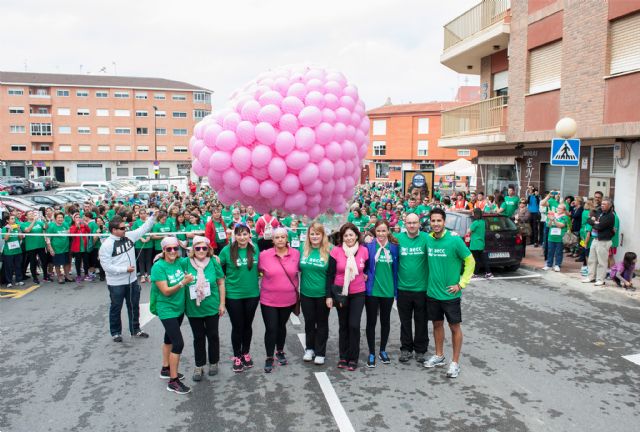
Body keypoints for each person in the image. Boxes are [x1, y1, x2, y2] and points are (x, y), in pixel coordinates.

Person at [423, 208, 475, 378]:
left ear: (444, 222)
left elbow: (470, 261)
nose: (436, 224)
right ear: (430, 222)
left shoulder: (455, 240)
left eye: (439, 221)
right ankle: (439, 356)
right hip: (432, 293)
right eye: (433, 221)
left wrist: (461, 284)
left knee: (454, 327)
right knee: (437, 325)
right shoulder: (428, 239)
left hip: (450, 295)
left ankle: (455, 363)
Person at [99, 212, 156, 342]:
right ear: (114, 230)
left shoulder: (129, 236)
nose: (126, 230)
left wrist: (153, 217)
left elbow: (143, 229)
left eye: (125, 227)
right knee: (116, 307)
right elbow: (106, 267)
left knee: (134, 306)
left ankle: (135, 329)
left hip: (132, 281)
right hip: (116, 283)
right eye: (122, 228)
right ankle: (116, 332)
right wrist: (124, 269)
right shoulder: (106, 245)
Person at [150, 236, 194, 395]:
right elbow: (166, 291)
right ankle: (173, 381)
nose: (173, 251)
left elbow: (195, 255)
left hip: (179, 308)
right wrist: (183, 282)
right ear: (163, 250)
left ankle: (165, 368)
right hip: (166, 308)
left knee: (168, 338)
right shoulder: (158, 267)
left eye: (175, 248)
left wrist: (212, 254)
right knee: (178, 343)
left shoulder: (180, 262)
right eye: (169, 249)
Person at [182, 236, 226, 381]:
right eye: (197, 248)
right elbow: (169, 261)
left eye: (204, 248)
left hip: (212, 306)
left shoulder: (214, 262)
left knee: (213, 335)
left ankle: (213, 362)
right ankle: (199, 365)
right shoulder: (185, 263)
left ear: (208, 249)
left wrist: (222, 304)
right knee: (198, 337)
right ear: (193, 250)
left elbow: (220, 283)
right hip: (194, 308)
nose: (201, 251)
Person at [327, 223, 369, 371]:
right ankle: (343, 356)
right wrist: (329, 295)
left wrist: (365, 274)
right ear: (342, 237)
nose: (349, 237)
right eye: (346, 235)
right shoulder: (336, 251)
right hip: (340, 294)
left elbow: (368, 267)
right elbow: (330, 274)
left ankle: (353, 357)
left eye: (351, 234)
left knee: (354, 325)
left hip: (358, 293)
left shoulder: (364, 250)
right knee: (343, 325)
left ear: (357, 235)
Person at [258, 228, 300, 373]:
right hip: (268, 299)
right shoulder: (264, 255)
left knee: (281, 326)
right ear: (273, 240)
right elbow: (254, 270)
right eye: (277, 237)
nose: (280, 239)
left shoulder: (296, 254)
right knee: (271, 328)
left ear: (287, 238)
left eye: (283, 237)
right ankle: (269, 357)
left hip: (288, 299)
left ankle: (280, 351)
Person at [219, 224, 260, 373]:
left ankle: (245, 352)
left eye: (245, 234)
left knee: (247, 325)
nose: (242, 237)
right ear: (234, 236)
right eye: (239, 234)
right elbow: (216, 265)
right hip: (233, 295)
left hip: (252, 294)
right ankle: (237, 356)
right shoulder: (226, 250)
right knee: (237, 326)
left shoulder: (255, 249)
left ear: (250, 235)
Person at [395, 213, 430, 364]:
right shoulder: (397, 239)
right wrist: (368, 237)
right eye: (409, 223)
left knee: (421, 321)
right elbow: (380, 239)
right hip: (403, 288)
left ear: (419, 223)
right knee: (405, 321)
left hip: (422, 289)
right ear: (405, 224)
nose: (412, 225)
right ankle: (406, 349)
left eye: (414, 223)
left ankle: (421, 350)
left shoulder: (427, 238)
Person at [364, 220, 399, 368]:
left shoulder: (394, 248)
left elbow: (397, 268)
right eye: (378, 231)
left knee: (385, 321)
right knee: (371, 322)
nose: (381, 234)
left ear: (388, 231)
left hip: (388, 290)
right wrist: (365, 273)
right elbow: (363, 263)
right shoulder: (369, 246)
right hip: (372, 291)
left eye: (384, 231)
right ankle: (372, 352)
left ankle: (382, 350)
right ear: (375, 232)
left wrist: (396, 291)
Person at [299, 222, 332, 365]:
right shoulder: (303, 248)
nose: (314, 236)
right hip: (306, 293)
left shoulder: (330, 250)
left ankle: (320, 352)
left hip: (323, 295)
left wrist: (330, 295)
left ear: (323, 235)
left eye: (317, 233)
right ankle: (309, 349)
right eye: (312, 233)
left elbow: (332, 274)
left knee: (322, 324)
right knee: (309, 323)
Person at [582, 198, 615, 286]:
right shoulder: (599, 212)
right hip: (595, 239)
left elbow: (599, 227)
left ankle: (600, 279)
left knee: (602, 261)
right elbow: (588, 220)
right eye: (602, 204)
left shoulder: (610, 216)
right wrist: (594, 222)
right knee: (592, 260)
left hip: (604, 241)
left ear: (609, 205)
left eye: (605, 204)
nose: (602, 205)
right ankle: (591, 277)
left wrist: (594, 222)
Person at [45, 212, 73, 284]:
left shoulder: (65, 224)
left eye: (61, 217)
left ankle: (67, 276)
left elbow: (69, 233)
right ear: (55, 218)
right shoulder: (52, 226)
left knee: (66, 263)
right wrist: (50, 249)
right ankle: (59, 277)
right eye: (58, 217)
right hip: (56, 249)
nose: (60, 219)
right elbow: (48, 238)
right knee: (57, 264)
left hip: (66, 248)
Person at [21, 210, 48, 284]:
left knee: (44, 261)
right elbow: (28, 230)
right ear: (26, 217)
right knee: (33, 262)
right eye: (30, 214)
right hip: (31, 246)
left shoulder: (39, 222)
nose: (32, 215)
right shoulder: (24, 224)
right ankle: (35, 278)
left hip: (41, 245)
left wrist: (45, 221)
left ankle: (45, 276)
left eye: (32, 213)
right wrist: (34, 221)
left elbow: (46, 227)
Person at [543, 203, 569, 272]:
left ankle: (557, 265)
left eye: (560, 208)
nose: (558, 209)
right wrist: (551, 220)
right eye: (558, 208)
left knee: (559, 252)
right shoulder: (553, 215)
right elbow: (548, 225)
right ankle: (549, 265)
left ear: (564, 210)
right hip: (551, 237)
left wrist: (554, 220)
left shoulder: (565, 217)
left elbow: (561, 225)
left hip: (560, 237)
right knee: (550, 251)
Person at [132, 209, 154, 283]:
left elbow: (152, 231)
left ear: (146, 214)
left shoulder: (149, 222)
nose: (142, 215)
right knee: (141, 260)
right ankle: (142, 275)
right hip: (139, 244)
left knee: (148, 260)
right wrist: (141, 238)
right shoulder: (136, 222)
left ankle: (149, 274)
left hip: (149, 244)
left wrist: (149, 237)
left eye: (144, 213)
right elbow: (134, 232)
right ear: (139, 215)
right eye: (141, 214)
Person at [2, 215, 24, 287]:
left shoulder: (17, 228)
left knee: (18, 266)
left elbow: (21, 238)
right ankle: (9, 281)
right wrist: (9, 230)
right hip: (8, 251)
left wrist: (19, 230)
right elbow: (5, 238)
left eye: (14, 219)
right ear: (7, 221)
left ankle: (19, 280)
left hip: (17, 250)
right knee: (9, 267)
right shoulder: (4, 228)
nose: (13, 220)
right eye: (11, 219)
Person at [469, 209, 492, 279]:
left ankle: (475, 273)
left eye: (473, 213)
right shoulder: (483, 222)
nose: (472, 214)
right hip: (481, 243)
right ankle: (488, 273)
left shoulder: (475, 223)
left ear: (475, 214)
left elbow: (469, 231)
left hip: (475, 244)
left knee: (476, 260)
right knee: (482, 259)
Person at [70, 213, 92, 282]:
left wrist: (85, 225)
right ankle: (78, 275)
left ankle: (86, 274)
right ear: (73, 219)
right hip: (77, 248)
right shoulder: (72, 227)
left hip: (84, 247)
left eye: (79, 217)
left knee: (86, 262)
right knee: (78, 262)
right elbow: (72, 235)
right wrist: (77, 227)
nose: (78, 218)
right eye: (76, 217)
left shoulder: (83, 226)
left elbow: (89, 231)